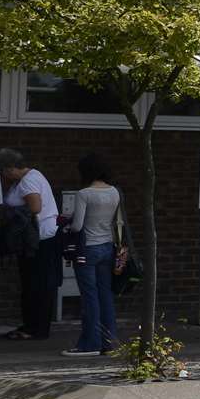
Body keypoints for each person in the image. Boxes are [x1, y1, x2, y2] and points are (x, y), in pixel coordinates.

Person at [0, 148, 61, 341]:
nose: (3, 176)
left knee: (36, 285)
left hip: (37, 241)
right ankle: (33, 325)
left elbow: (35, 207)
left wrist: (8, 212)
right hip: (39, 239)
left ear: (10, 169)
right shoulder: (33, 175)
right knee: (34, 284)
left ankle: (36, 328)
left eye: (3, 171)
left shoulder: (28, 181)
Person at [64, 153, 122, 357]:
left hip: (87, 249)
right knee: (105, 295)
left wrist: (66, 222)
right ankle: (110, 341)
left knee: (90, 297)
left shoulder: (84, 194)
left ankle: (90, 343)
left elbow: (78, 225)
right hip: (107, 246)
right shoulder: (114, 192)